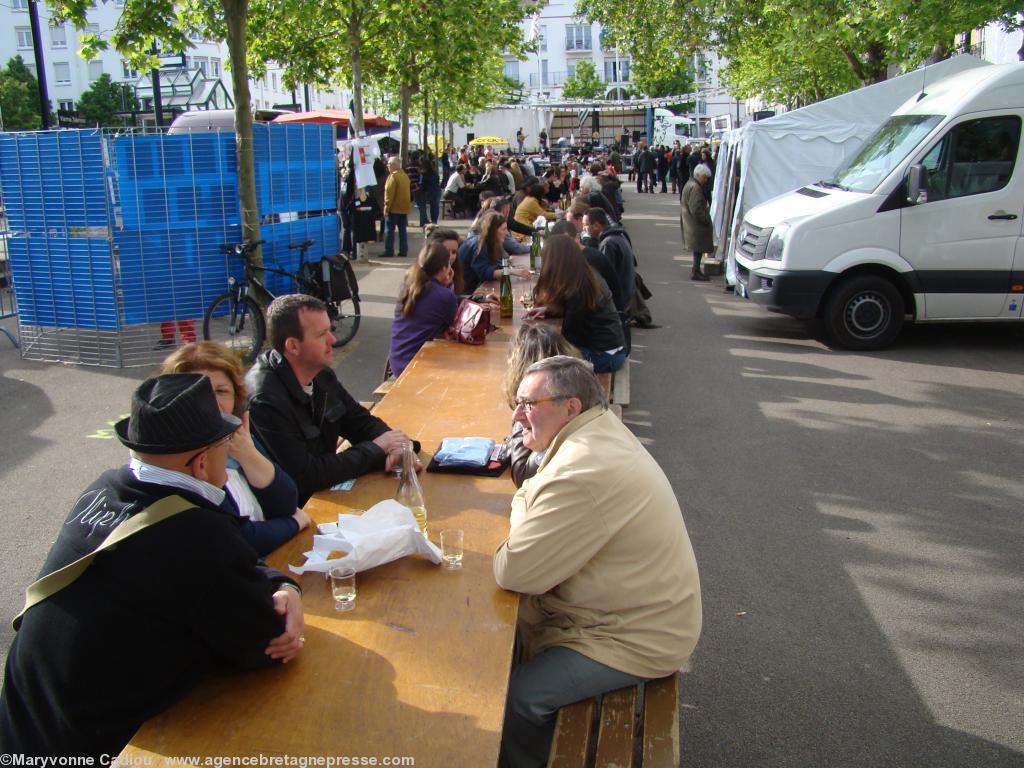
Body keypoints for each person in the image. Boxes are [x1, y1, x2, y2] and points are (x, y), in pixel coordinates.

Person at [0, 373, 305, 757]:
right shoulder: (193, 531)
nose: (227, 455)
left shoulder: (107, 487)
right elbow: (266, 641)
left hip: (24, 721)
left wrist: (279, 583)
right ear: (200, 463)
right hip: (88, 746)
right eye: (223, 445)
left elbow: (231, 560)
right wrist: (286, 593)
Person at [494, 355, 702, 768]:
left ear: (571, 406)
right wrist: (527, 502)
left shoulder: (581, 469)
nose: (517, 416)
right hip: (628, 611)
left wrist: (521, 508)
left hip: (640, 635)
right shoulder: (595, 431)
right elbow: (531, 490)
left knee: (520, 698)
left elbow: (512, 570)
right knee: (507, 640)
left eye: (528, 403)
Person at [246, 294, 420, 507]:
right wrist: (377, 448)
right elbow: (306, 476)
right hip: (297, 510)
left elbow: (359, 421)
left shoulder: (320, 374)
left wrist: (396, 447)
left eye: (330, 330)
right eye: (322, 334)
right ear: (293, 346)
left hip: (325, 495)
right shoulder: (265, 400)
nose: (333, 340)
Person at [160, 342, 310, 556]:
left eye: (221, 391)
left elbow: (286, 502)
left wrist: (247, 453)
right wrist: (294, 522)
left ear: (235, 398)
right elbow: (237, 538)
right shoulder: (177, 459)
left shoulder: (237, 436)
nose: (212, 403)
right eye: (197, 391)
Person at [531, 234, 626, 374]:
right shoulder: (584, 275)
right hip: (612, 349)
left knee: (539, 360)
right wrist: (549, 310)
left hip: (602, 356)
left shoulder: (578, 289)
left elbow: (569, 339)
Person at [502, 323, 581, 489]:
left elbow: (522, 474)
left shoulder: (554, 410)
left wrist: (521, 420)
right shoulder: (574, 386)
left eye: (527, 403)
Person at [388, 241, 460, 378]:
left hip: (398, 361)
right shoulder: (444, 296)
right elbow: (455, 324)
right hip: (416, 366)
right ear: (444, 268)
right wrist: (448, 286)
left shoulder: (410, 288)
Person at [580, 207, 635, 324]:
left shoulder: (607, 244)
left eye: (585, 225)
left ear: (596, 226)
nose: (583, 229)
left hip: (619, 300)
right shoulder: (617, 235)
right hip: (627, 293)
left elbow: (603, 278)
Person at [458, 211, 530, 295]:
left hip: (476, 287)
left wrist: (513, 269)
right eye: (503, 229)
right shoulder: (479, 244)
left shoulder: (490, 242)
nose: (506, 232)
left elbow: (501, 261)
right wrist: (512, 271)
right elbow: (486, 273)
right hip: (467, 292)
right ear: (493, 231)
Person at [681, 163, 715, 281]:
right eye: (705, 177)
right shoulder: (695, 187)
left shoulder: (690, 184)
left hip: (691, 222)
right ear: (699, 175)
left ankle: (696, 270)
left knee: (697, 249)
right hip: (695, 225)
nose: (706, 180)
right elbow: (696, 209)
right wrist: (706, 220)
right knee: (698, 249)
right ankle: (696, 271)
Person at [383, 156, 411, 258]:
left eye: (389, 164)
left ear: (393, 165)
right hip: (404, 208)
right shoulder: (405, 176)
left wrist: (386, 208)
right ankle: (403, 250)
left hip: (394, 208)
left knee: (389, 231)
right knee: (402, 231)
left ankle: (389, 250)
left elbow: (389, 195)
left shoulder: (393, 177)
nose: (387, 166)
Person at [417, 153, 441, 228]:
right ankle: (434, 221)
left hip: (429, 192)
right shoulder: (435, 173)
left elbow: (422, 185)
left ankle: (432, 221)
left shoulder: (424, 175)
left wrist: (420, 190)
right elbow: (437, 181)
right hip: (436, 190)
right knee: (435, 206)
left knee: (431, 206)